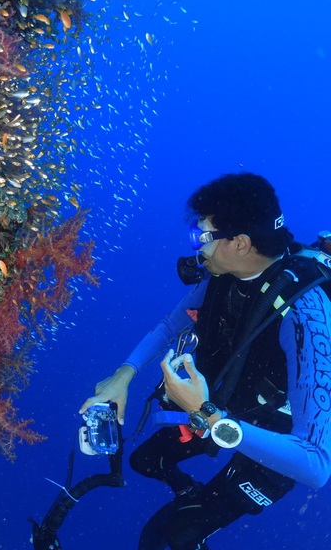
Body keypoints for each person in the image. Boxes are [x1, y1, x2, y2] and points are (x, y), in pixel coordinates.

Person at [79, 173, 331, 550]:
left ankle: (195, 518)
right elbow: (170, 326)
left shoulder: (305, 316)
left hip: (277, 438)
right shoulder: (225, 272)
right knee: (145, 461)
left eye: (202, 237)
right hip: (223, 407)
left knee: (173, 536)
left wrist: (211, 417)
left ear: (240, 243)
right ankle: (191, 494)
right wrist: (123, 376)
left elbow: (316, 465)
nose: (197, 249)